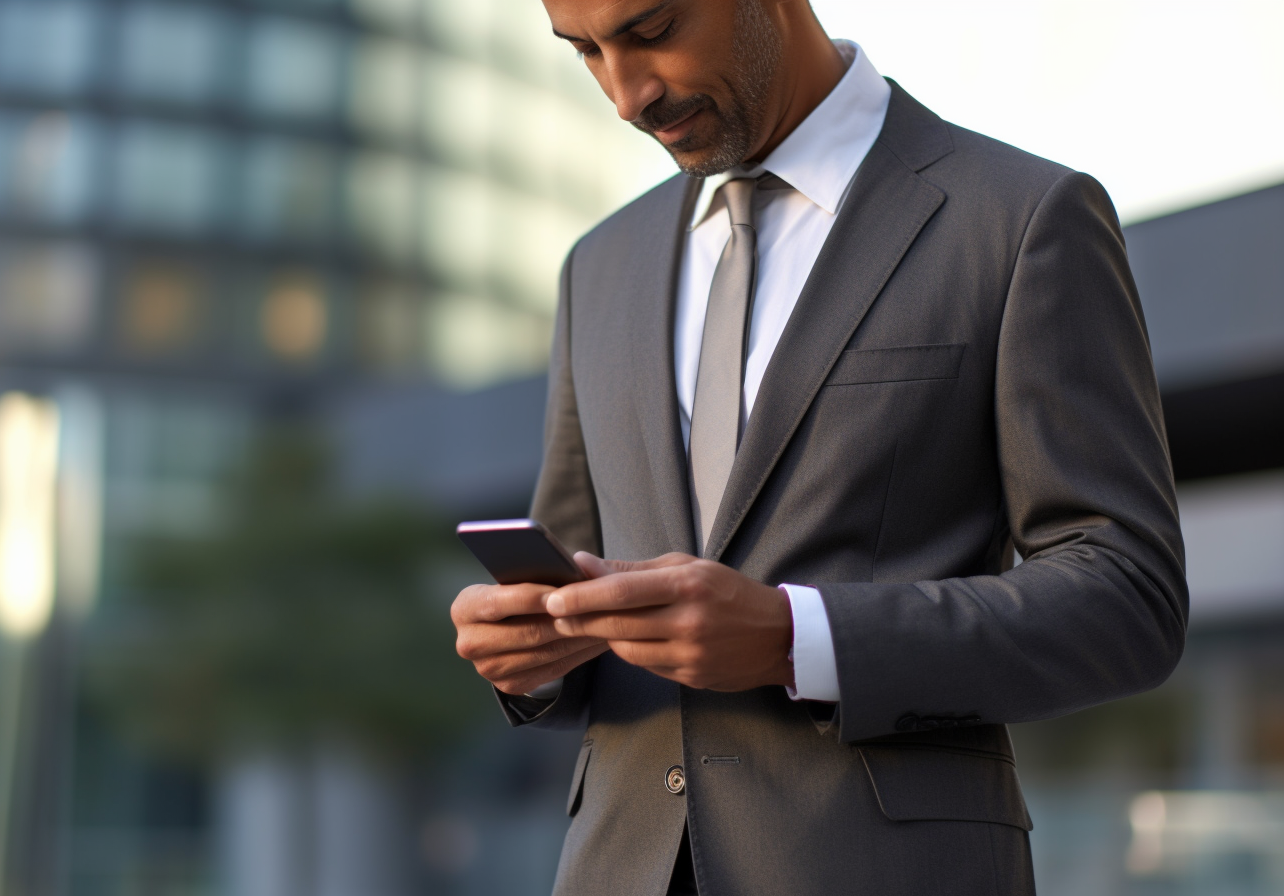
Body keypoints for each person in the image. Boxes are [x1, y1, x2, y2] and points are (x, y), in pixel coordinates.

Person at [450, 2, 1187, 894]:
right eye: (586, 53)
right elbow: (569, 582)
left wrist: (796, 639)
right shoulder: (599, 264)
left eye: (649, 32)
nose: (624, 94)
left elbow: (1127, 596)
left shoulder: (1021, 218)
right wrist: (529, 656)